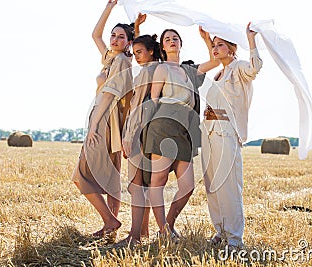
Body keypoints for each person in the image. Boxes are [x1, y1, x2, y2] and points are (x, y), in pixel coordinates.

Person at [145, 27, 219, 237]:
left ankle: (168, 225)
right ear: (163, 46)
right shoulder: (162, 69)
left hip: (186, 128)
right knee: (158, 180)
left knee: (187, 186)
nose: (171, 41)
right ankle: (163, 229)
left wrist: (206, 39)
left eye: (175, 38)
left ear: (180, 43)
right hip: (165, 124)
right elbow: (154, 99)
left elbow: (214, 62)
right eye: (167, 39)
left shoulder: (190, 71)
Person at [71, 0, 134, 242]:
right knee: (111, 174)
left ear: (129, 42)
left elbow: (109, 95)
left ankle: (110, 220)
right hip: (108, 121)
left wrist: (94, 127)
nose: (115, 39)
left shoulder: (121, 62)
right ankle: (110, 225)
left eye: (121, 37)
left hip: (106, 121)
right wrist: (109, 7)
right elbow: (95, 35)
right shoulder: (111, 58)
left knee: (81, 175)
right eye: (113, 35)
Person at [201, 22, 262, 248]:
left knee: (229, 185)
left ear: (232, 48)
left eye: (220, 45)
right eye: (214, 46)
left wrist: (251, 40)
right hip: (208, 131)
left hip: (226, 131)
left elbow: (255, 67)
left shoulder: (238, 68)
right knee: (213, 185)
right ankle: (220, 231)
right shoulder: (219, 73)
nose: (215, 49)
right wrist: (206, 40)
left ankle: (235, 239)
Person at [120, 30, 161, 245]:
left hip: (139, 133)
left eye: (139, 52)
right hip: (151, 133)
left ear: (151, 51)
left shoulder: (147, 71)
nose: (136, 56)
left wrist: (128, 136)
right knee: (143, 186)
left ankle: (133, 237)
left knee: (136, 187)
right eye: (134, 52)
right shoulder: (159, 68)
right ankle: (142, 231)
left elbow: (137, 107)